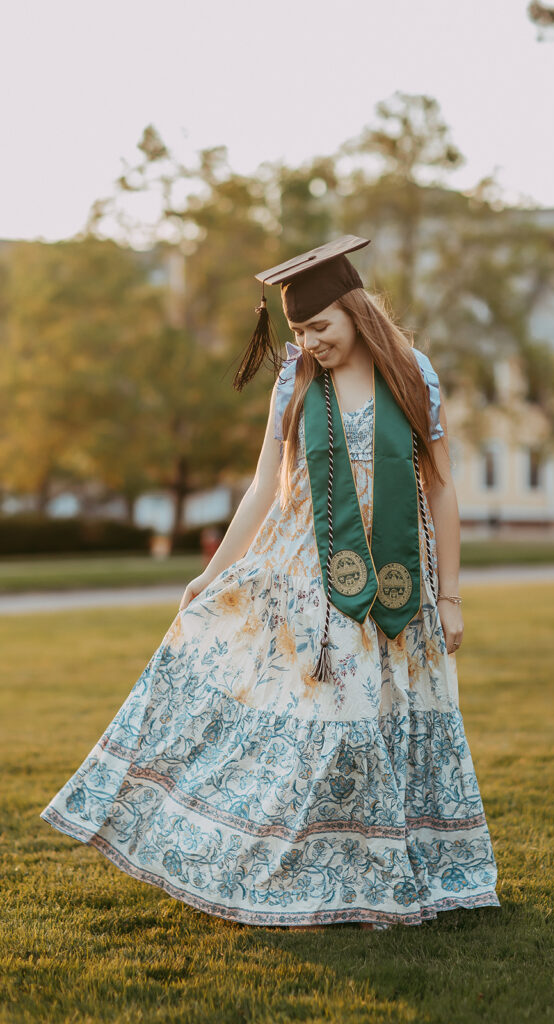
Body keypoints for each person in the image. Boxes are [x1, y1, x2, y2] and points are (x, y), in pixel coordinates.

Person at [40, 235, 500, 931]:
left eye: (320, 326)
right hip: (306, 572)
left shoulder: (412, 372)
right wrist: (212, 571)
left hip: (399, 571)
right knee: (332, 727)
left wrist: (450, 594)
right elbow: (265, 485)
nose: (310, 340)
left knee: (377, 726)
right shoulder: (296, 378)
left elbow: (438, 487)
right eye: (297, 330)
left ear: (354, 311)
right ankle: (292, 867)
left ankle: (373, 872)